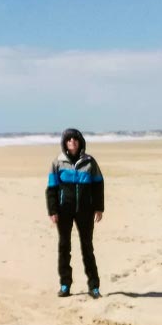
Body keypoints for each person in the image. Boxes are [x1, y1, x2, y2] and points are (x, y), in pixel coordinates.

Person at [46, 127, 105, 298]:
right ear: (65, 143)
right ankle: (65, 285)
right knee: (64, 247)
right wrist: (53, 210)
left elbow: (98, 185)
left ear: (80, 142)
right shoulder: (58, 162)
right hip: (64, 211)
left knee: (87, 247)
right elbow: (51, 188)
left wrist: (99, 208)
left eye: (75, 139)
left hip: (85, 211)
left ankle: (94, 286)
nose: (72, 141)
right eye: (69, 139)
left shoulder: (90, 162)